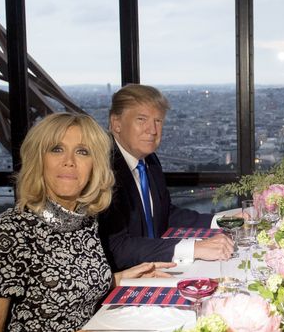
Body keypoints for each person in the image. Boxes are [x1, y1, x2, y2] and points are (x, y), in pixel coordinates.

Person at [0, 113, 175, 332]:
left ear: (95, 165)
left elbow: (69, 286)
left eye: (82, 152)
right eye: (57, 149)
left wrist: (121, 278)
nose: (69, 162)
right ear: (39, 159)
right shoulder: (13, 228)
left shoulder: (86, 219)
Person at [98, 84, 234, 271]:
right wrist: (195, 248)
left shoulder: (149, 161)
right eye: (141, 119)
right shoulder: (103, 170)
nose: (152, 130)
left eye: (158, 121)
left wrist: (222, 220)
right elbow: (118, 249)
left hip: (155, 265)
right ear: (116, 123)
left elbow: (165, 215)